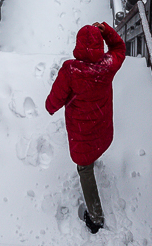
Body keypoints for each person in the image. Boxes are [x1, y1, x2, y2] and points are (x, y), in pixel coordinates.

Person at [45, 21, 126, 234]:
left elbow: (56, 98)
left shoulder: (71, 70)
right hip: (102, 128)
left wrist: (50, 107)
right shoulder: (107, 65)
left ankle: (96, 218)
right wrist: (107, 31)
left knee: (84, 168)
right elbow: (119, 48)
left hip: (81, 133)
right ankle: (95, 158)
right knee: (94, 149)